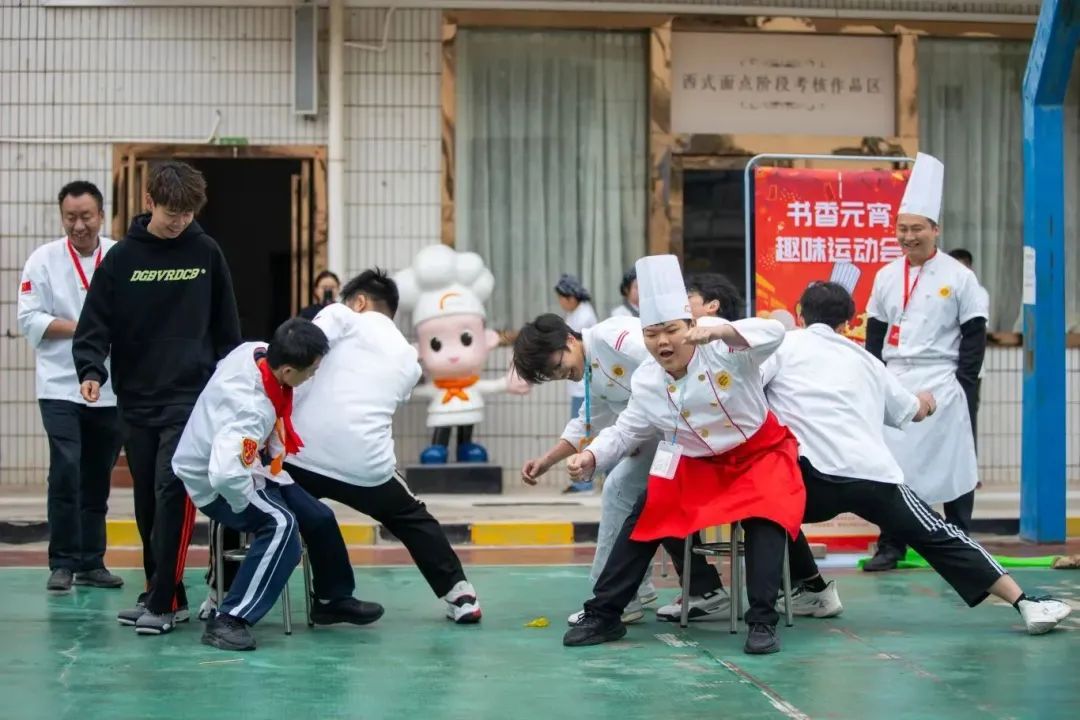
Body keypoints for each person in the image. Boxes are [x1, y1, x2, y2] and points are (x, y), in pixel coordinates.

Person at [762, 281, 1070, 634]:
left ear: (799, 314)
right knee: (937, 534)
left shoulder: (781, 346)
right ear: (848, 322)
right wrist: (927, 399)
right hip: (871, 474)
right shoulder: (866, 361)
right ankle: (1025, 602)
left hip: (807, 475)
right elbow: (914, 411)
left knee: (768, 513)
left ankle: (805, 592)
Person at [562, 255, 807, 655]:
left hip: (759, 453)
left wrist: (721, 331)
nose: (662, 342)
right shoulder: (646, 379)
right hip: (697, 463)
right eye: (652, 333)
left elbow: (774, 332)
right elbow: (627, 429)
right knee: (644, 510)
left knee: (767, 515)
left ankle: (762, 621)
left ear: (690, 326)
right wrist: (591, 457)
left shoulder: (726, 349)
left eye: (672, 330)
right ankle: (604, 613)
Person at [73, 160, 242, 634]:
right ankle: (162, 592)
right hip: (137, 397)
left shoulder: (206, 253)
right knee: (148, 500)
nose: (180, 222)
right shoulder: (123, 258)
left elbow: (227, 328)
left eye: (188, 215)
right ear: (149, 203)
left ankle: (164, 602)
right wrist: (90, 369)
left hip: (189, 396)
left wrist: (230, 389)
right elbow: (95, 323)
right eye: (172, 214)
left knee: (172, 492)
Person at [172, 318, 385, 651]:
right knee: (281, 524)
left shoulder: (255, 352)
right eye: (311, 370)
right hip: (215, 481)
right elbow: (227, 475)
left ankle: (332, 599)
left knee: (319, 517)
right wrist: (251, 509)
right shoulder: (250, 409)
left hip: (251, 466)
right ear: (287, 371)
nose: (313, 375)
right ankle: (230, 619)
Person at [283, 270, 482, 624]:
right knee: (410, 516)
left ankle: (218, 594)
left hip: (299, 457)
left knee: (249, 494)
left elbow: (301, 352)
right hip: (365, 466)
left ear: (358, 301)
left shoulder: (338, 314)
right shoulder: (408, 356)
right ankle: (460, 594)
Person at [513, 314, 730, 625]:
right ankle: (675, 590)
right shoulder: (590, 372)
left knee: (620, 489)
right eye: (554, 375)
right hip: (655, 435)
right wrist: (547, 460)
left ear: (570, 340)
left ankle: (615, 597)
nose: (564, 375)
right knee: (647, 501)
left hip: (690, 429)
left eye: (559, 366)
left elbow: (664, 360)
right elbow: (588, 423)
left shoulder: (612, 336)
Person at [863, 153, 986, 572]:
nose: (909, 237)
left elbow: (974, 334)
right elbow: (876, 333)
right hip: (897, 376)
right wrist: (874, 377)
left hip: (944, 378)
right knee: (892, 465)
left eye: (917, 229)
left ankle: (963, 540)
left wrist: (965, 384)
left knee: (955, 460)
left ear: (935, 230)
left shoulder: (959, 276)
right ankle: (890, 545)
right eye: (902, 229)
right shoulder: (884, 276)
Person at [17, 181, 124, 594]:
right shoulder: (42, 260)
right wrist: (87, 329)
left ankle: (91, 561)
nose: (79, 225)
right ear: (62, 217)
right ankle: (61, 561)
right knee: (66, 469)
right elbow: (30, 320)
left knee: (98, 473)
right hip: (60, 385)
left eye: (86, 216)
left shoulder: (118, 256)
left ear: (101, 215)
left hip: (111, 387)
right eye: (70, 217)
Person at [554, 274, 598, 491]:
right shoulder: (575, 313)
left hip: (584, 387)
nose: (560, 302)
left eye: (562, 297)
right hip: (578, 386)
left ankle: (583, 484)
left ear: (571, 296)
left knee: (584, 433)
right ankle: (582, 482)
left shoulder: (583, 315)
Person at [947, 248, 989, 439]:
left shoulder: (978, 293)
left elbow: (972, 331)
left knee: (966, 421)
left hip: (969, 370)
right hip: (943, 370)